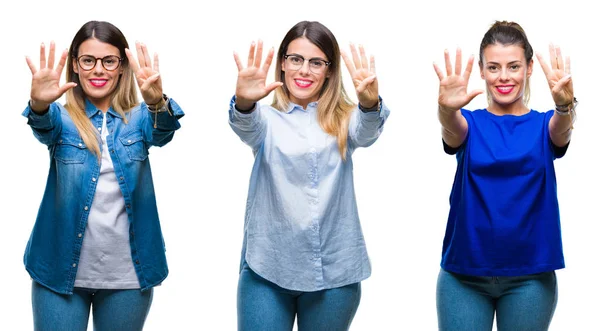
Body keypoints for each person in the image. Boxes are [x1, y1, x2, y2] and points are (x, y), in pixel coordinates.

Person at [23, 20, 184, 331]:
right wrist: (39, 104)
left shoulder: (139, 118)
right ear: (75, 65)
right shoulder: (61, 118)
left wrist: (155, 102)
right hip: (58, 270)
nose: (98, 70)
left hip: (127, 277)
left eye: (109, 61)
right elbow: (42, 125)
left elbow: (163, 132)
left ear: (121, 67)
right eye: (89, 60)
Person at [229, 20, 390, 331]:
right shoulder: (266, 120)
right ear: (283, 65)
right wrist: (246, 102)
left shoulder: (345, 119)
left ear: (329, 70)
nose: (304, 70)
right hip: (268, 270)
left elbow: (367, 131)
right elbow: (245, 125)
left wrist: (369, 102)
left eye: (316, 62)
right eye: (296, 60)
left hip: (335, 273)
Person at [433, 20, 575, 330]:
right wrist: (445, 109)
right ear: (482, 71)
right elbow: (451, 128)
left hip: (530, 279)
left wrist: (565, 106)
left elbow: (561, 130)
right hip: (463, 277)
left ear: (529, 68)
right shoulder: (468, 124)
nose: (504, 77)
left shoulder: (545, 125)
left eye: (513, 66)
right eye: (494, 67)